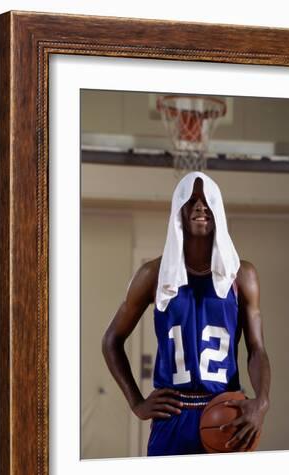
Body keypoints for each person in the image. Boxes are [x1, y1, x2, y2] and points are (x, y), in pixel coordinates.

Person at [102, 171, 270, 456]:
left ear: (219, 211)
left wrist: (262, 402)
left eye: (207, 201)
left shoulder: (242, 276)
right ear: (176, 211)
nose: (200, 206)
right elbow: (111, 341)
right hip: (173, 416)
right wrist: (137, 403)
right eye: (191, 200)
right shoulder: (152, 274)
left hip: (227, 413)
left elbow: (257, 349)